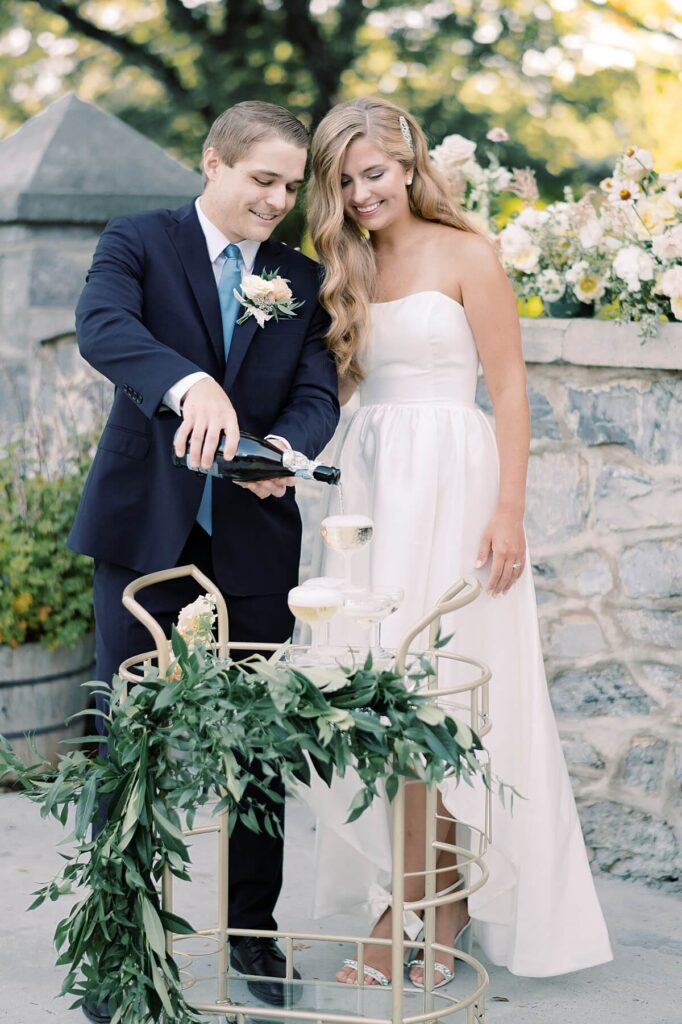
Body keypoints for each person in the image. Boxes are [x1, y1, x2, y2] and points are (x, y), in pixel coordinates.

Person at [303, 96, 613, 986]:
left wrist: (508, 512)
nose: (363, 192)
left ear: (407, 164)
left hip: (456, 481)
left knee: (444, 696)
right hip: (370, 491)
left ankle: (426, 906)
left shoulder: (469, 253)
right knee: (378, 696)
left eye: (374, 172)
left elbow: (509, 392)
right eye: (344, 179)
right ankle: (423, 899)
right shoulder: (341, 262)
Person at [68, 101, 339, 1020]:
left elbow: (315, 389)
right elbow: (103, 328)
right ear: (212, 161)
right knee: (124, 734)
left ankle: (251, 930)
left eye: (292, 187)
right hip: (143, 532)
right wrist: (192, 385)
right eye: (263, 179)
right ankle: (117, 939)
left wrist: (281, 454)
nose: (278, 200)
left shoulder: (300, 276)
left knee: (261, 742)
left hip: (257, 537)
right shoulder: (137, 240)